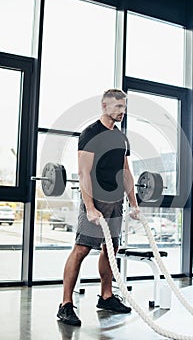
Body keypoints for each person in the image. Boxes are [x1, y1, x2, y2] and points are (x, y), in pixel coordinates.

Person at [57, 89, 140, 326]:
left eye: (124, 107)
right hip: (94, 200)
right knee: (81, 250)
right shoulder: (90, 133)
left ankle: (107, 296)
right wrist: (90, 207)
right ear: (104, 107)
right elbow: (84, 173)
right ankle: (65, 305)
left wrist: (134, 204)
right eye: (117, 107)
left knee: (111, 250)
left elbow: (126, 173)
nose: (122, 112)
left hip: (115, 202)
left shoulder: (122, 138)